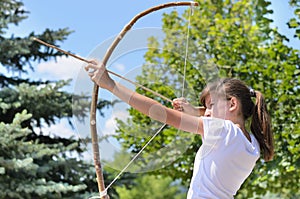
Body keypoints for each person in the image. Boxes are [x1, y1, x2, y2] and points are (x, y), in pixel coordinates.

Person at [85, 61, 274, 199]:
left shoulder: (223, 131)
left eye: (211, 105)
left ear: (232, 103)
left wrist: (110, 85)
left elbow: (161, 113)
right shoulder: (253, 144)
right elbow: (218, 115)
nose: (206, 113)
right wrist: (195, 110)